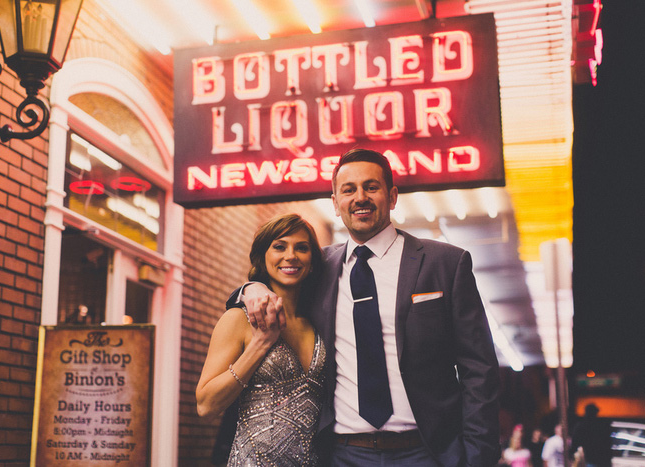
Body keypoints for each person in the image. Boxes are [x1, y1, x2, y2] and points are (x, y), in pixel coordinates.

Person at [231, 148, 501, 466]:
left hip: (428, 451)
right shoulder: (318, 268)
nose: (360, 197)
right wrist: (252, 288)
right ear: (335, 203)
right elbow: (272, 279)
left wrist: (478, 455)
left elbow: (479, 369)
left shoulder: (446, 263)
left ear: (392, 196)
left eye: (371, 187)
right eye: (349, 189)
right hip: (344, 453)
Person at [196, 213, 326, 466]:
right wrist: (260, 344)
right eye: (279, 246)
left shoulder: (319, 322)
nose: (291, 255)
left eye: (302, 248)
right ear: (262, 257)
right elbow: (205, 405)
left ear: (312, 262)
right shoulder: (238, 319)